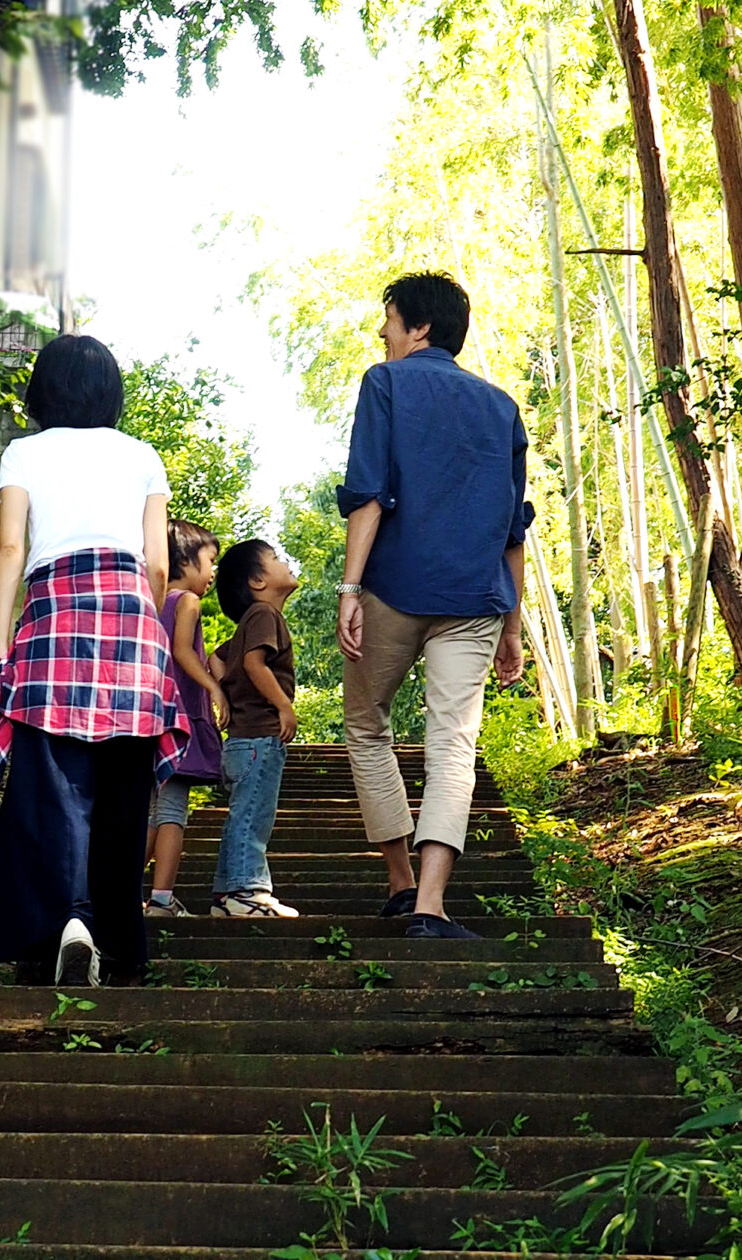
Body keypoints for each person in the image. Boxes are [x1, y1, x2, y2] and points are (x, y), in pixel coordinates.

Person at [0, 334, 186, 987]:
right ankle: (114, 943)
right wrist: (145, 632)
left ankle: (62, 922)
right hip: (131, 628)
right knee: (124, 794)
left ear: (44, 390)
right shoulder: (142, 455)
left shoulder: (24, 452)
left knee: (52, 791)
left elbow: (10, 551)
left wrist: (0, 643)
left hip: (52, 623)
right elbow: (157, 564)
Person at [336, 272, 531, 941]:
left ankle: (400, 881)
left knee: (366, 725)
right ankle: (431, 907)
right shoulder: (502, 406)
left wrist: (349, 589)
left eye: (387, 319)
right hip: (476, 596)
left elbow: (368, 492)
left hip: (393, 584)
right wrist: (515, 623)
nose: (382, 333)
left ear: (418, 327)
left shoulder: (384, 384)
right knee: (454, 745)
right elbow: (514, 528)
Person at [209, 538, 303, 918]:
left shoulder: (252, 619)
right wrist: (284, 705)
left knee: (241, 813)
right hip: (260, 737)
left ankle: (226, 894)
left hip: (240, 742)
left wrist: (223, 697)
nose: (286, 563)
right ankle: (248, 891)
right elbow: (253, 664)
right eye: (277, 558)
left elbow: (218, 657)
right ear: (258, 581)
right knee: (253, 816)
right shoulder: (266, 615)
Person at [145, 519, 226, 917]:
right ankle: (161, 898)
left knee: (148, 813)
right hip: (179, 719)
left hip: (147, 716)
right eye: (210, 561)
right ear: (187, 559)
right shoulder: (186, 602)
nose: (213, 572)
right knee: (173, 810)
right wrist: (213, 686)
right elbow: (182, 650)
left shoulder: (151, 598)